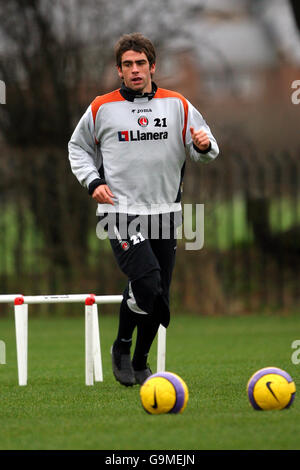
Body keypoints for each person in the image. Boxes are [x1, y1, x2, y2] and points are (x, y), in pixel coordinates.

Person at [68, 33, 219, 387]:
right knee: (147, 282)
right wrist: (93, 182)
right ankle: (121, 347)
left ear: (153, 66)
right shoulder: (101, 107)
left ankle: (140, 361)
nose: (135, 70)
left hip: (166, 212)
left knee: (159, 295)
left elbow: (206, 149)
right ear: (119, 71)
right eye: (127, 65)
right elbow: (77, 149)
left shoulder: (177, 105)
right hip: (120, 213)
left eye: (140, 64)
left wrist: (203, 143)